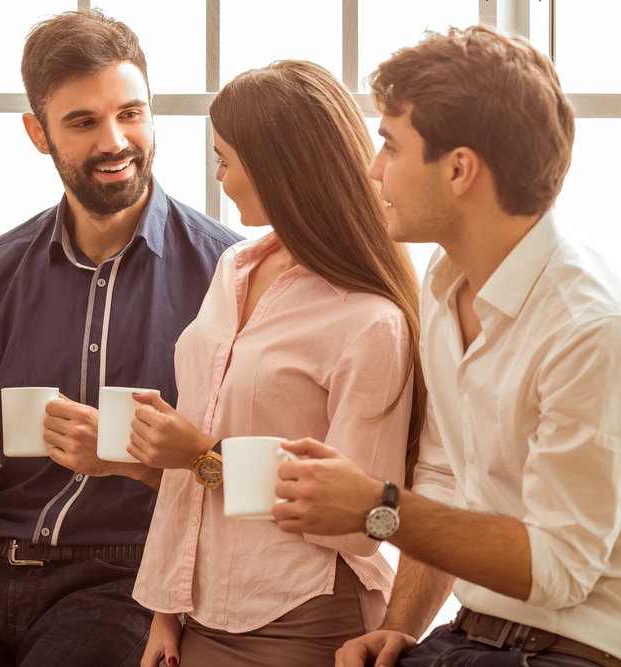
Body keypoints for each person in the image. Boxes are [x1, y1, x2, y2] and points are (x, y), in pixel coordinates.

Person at [0, 9, 242, 667]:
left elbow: (243, 477)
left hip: (126, 574)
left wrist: (137, 460)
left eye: (131, 112)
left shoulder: (225, 275)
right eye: (83, 121)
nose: (116, 139)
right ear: (37, 132)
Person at [272, 26, 621, 667]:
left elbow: (560, 568)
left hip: (573, 649)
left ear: (460, 168)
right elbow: (443, 484)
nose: (373, 169)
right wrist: (399, 629)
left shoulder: (589, 325)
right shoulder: (442, 283)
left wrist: (377, 508)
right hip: (468, 634)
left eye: (390, 144)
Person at [123, 60, 425, 667]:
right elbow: (195, 443)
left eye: (226, 160)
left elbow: (357, 521)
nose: (220, 177)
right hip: (197, 612)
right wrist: (163, 611)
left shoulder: (369, 320)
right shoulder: (233, 268)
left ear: (277, 170)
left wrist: (201, 456)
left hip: (303, 617)